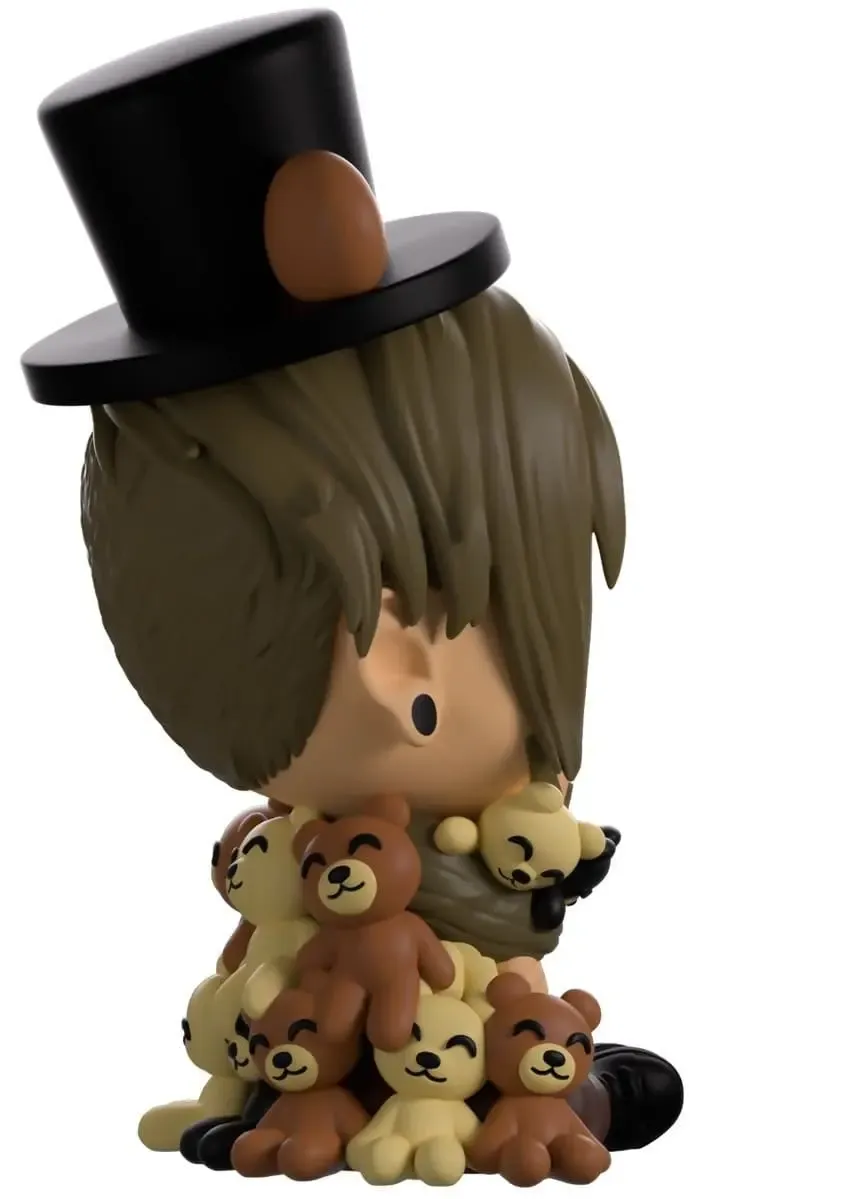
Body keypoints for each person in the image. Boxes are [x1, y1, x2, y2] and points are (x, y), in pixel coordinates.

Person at [22, 8, 683, 1175]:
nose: (389, 686)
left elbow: (512, 929)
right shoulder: (296, 849)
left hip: (473, 1028)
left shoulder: (506, 831)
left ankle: (555, 1094)